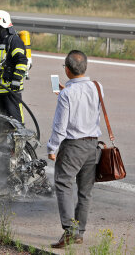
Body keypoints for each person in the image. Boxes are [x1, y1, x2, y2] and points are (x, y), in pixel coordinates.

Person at [47, 50, 102, 248]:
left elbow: (60, 126)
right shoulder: (97, 87)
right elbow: (85, 103)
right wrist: (66, 90)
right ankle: (79, 233)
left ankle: (69, 231)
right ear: (84, 67)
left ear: (67, 70)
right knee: (85, 191)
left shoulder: (66, 95)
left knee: (63, 183)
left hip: (73, 146)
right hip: (93, 145)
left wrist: (52, 148)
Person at [0, 10, 28, 123]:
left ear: (3, 25)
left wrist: (16, 78)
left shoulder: (14, 40)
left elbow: (21, 60)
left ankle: (20, 140)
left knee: (15, 123)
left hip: (11, 90)